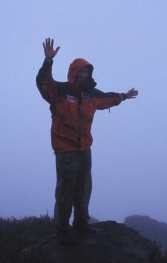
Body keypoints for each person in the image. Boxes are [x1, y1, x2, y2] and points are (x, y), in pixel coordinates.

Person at [36, 38, 138, 246]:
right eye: (80, 72)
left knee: (83, 187)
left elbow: (107, 98)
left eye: (86, 72)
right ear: (73, 73)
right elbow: (43, 83)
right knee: (65, 189)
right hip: (65, 149)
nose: (84, 75)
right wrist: (48, 62)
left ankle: (81, 222)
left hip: (84, 149)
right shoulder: (59, 91)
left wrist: (123, 97)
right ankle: (61, 228)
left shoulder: (90, 94)